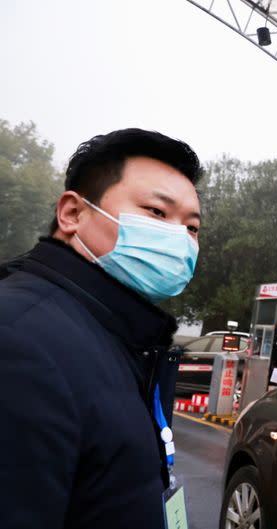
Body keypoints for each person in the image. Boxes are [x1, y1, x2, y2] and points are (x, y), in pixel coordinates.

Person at [0, 129, 202, 528]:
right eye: (157, 213)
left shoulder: (125, 338)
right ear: (73, 213)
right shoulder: (17, 338)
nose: (179, 238)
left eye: (192, 228)